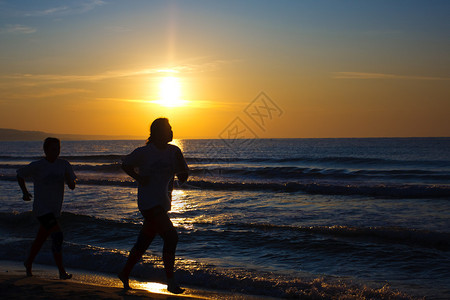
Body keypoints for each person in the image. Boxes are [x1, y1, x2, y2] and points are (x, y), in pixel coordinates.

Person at [118, 118, 189, 294]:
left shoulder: (174, 151)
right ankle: (170, 282)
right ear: (158, 132)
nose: (172, 131)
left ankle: (124, 273)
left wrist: (181, 168)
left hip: (163, 203)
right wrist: (140, 178)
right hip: (148, 203)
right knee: (171, 237)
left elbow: (183, 177)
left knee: (144, 242)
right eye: (168, 128)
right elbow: (125, 164)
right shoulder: (144, 152)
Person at [17, 137, 77, 279]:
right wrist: (25, 192)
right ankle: (62, 272)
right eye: (53, 149)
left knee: (41, 239)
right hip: (42, 208)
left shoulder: (64, 164)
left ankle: (28, 262)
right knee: (57, 235)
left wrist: (69, 180)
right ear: (46, 150)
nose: (56, 152)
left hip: (55, 208)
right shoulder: (38, 165)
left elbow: (72, 186)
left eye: (58, 149)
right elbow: (20, 174)